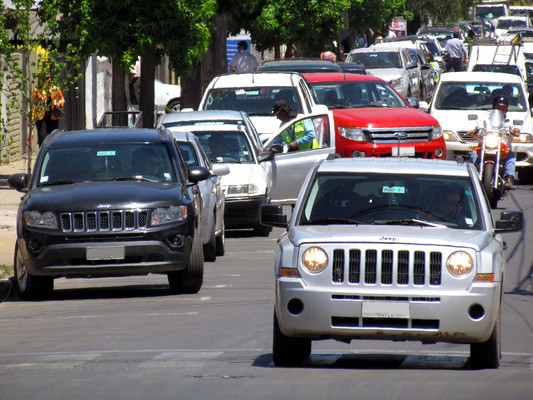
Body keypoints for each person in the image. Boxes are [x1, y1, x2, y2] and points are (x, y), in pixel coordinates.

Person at [469, 95, 520, 190]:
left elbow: (513, 128)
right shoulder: (486, 119)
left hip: (502, 147)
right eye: (498, 107)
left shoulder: (508, 122)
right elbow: (478, 127)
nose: (500, 109)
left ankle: (509, 178)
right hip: (486, 145)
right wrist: (474, 131)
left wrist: (515, 130)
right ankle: (470, 177)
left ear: (506, 109)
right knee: (473, 154)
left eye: (503, 107)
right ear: (494, 107)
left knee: (511, 156)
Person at [32, 73, 64, 146]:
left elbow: (61, 99)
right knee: (43, 138)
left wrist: (59, 104)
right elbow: (33, 104)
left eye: (50, 77)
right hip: (41, 117)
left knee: (53, 138)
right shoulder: (37, 90)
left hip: (53, 117)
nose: (49, 79)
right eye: (47, 78)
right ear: (42, 79)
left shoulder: (55, 89)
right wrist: (32, 117)